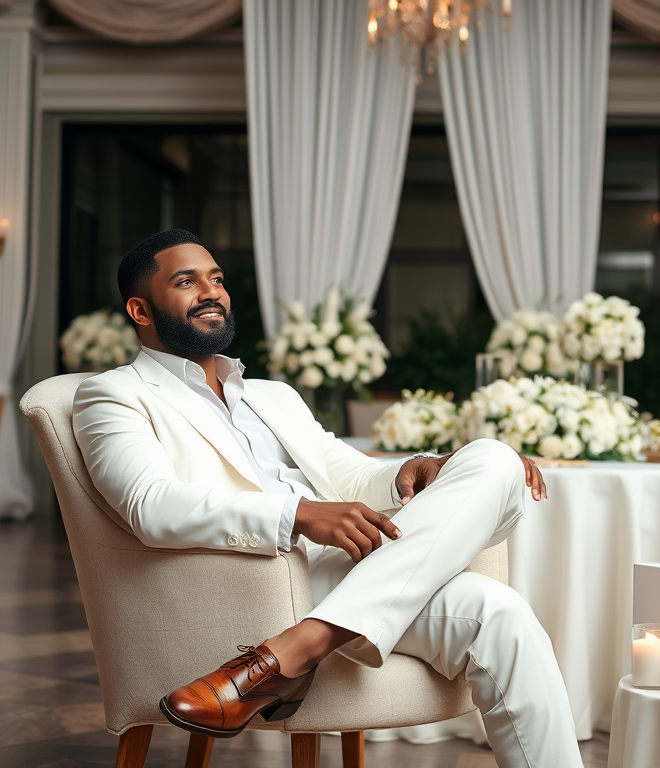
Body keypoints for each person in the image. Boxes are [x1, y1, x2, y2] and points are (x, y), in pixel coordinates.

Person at [72, 229, 583, 767]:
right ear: (140, 308)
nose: (211, 291)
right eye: (186, 281)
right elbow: (151, 506)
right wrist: (298, 514)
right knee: (499, 606)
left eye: (217, 279)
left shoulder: (272, 395)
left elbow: (348, 474)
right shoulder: (113, 394)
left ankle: (293, 652)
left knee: (492, 461)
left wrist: (410, 472)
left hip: (350, 569)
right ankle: (297, 644)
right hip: (262, 576)